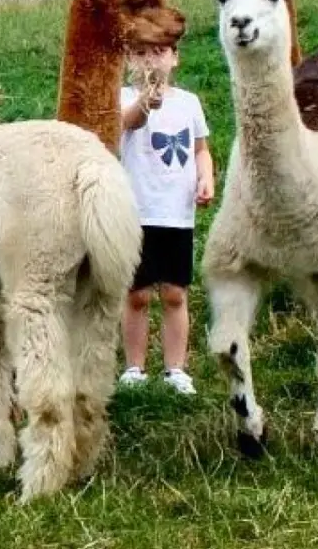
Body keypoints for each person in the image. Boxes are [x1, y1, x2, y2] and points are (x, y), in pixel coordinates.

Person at [117, 41, 214, 395]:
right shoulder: (124, 97)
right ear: (128, 59)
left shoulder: (189, 103)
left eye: (159, 52)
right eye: (141, 53)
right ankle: (134, 368)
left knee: (175, 293)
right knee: (137, 295)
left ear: (175, 58)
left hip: (177, 215)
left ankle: (176, 370)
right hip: (136, 212)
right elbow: (126, 122)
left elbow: (200, 149)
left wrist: (206, 177)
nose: (150, 60)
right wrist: (145, 103)